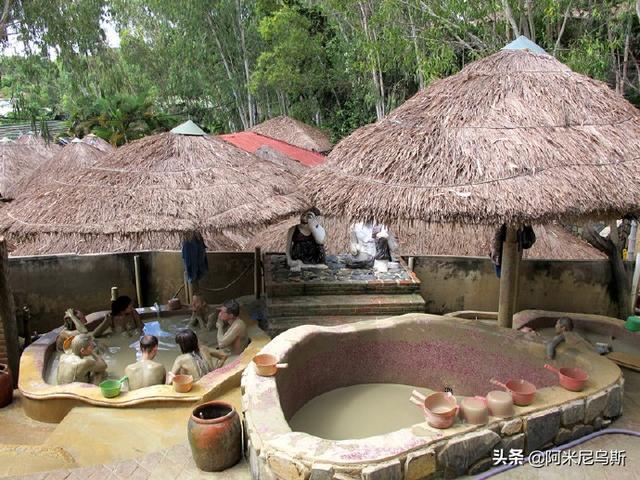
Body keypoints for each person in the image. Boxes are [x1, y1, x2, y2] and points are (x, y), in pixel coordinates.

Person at [286, 207, 327, 271]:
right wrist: (289, 260)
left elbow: (320, 241)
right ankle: (305, 266)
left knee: (319, 247)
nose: (304, 218)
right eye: (303, 215)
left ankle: (304, 266)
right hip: (298, 259)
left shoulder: (319, 228)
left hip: (315, 259)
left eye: (309, 216)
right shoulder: (293, 229)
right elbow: (288, 248)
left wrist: (312, 228)